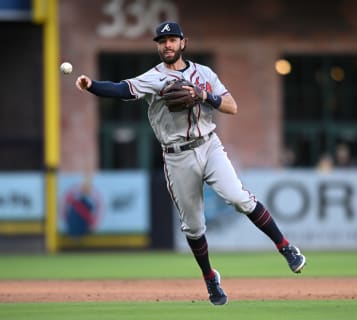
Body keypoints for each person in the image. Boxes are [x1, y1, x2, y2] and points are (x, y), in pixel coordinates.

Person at [75, 21, 306, 306]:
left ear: (183, 43)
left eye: (172, 40)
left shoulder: (204, 74)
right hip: (176, 155)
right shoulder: (154, 77)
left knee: (238, 198)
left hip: (209, 145)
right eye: (162, 41)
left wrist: (203, 94)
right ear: (158, 47)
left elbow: (232, 106)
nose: (167, 45)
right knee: (193, 228)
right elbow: (122, 89)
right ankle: (210, 277)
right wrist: (92, 86)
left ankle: (286, 247)